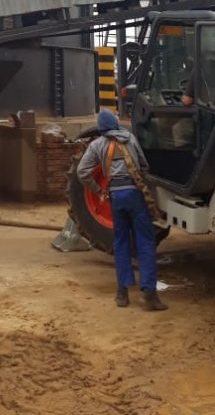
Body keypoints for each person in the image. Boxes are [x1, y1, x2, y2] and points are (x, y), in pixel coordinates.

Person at [77, 109, 168, 311]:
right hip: (135, 196)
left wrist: (98, 189)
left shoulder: (97, 145)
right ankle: (150, 295)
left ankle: (122, 293)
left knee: (121, 243)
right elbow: (144, 167)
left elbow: (81, 172)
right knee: (145, 242)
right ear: (116, 124)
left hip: (116, 198)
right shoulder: (130, 139)